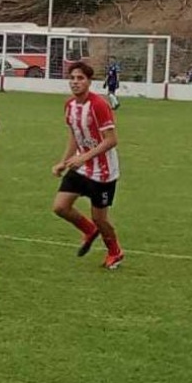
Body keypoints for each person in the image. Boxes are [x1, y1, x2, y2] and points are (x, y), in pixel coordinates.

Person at [51, 62, 124, 270]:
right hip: (80, 167)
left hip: (103, 172)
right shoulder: (69, 105)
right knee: (60, 207)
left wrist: (84, 157)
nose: (75, 82)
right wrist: (64, 162)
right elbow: (75, 135)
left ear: (89, 82)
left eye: (80, 78)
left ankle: (115, 252)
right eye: (72, 78)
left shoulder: (99, 105)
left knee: (101, 219)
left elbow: (111, 140)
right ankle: (89, 231)